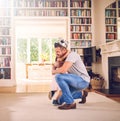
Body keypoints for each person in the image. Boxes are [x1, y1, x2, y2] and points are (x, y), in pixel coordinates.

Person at [52, 39, 90, 110]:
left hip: (82, 80)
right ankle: (82, 94)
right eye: (55, 51)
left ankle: (70, 103)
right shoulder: (63, 58)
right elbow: (57, 69)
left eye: (58, 51)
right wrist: (57, 63)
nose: (56, 53)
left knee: (58, 76)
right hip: (74, 82)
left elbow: (62, 71)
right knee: (58, 101)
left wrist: (54, 71)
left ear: (64, 50)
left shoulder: (72, 55)